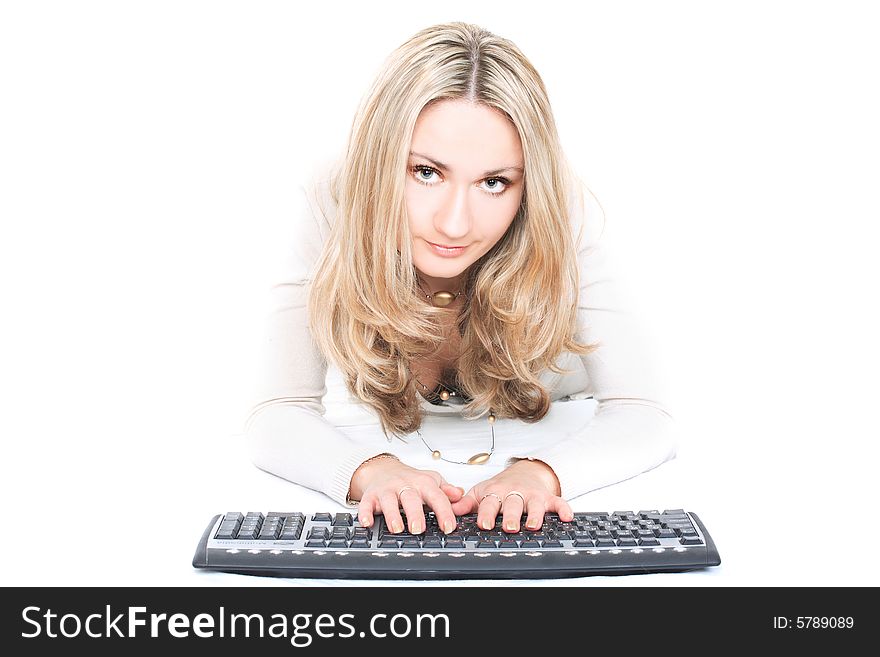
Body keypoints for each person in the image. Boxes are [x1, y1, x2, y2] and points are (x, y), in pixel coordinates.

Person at [245, 22, 675, 538]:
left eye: (494, 183)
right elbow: (277, 410)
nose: (454, 224)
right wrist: (370, 471)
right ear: (380, 163)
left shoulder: (561, 209)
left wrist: (541, 473)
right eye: (426, 173)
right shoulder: (332, 198)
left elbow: (644, 413)